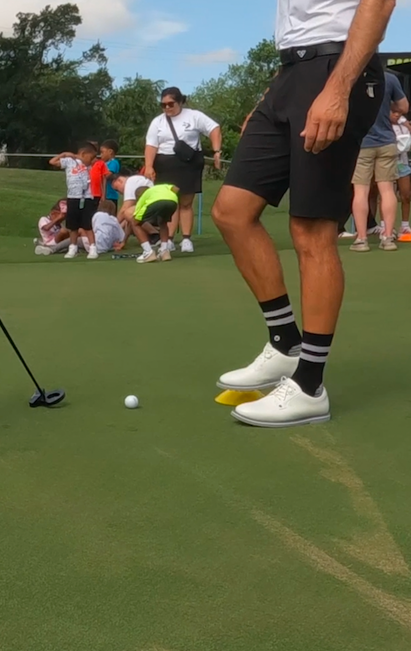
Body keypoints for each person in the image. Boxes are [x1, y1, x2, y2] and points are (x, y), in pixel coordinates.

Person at [210, 0, 393, 427]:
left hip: (338, 68)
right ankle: (285, 343)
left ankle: (310, 385)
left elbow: (379, 4)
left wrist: (336, 89)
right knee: (231, 211)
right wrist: (276, 90)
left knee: (311, 230)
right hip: (290, 73)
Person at [144, 87, 222, 253]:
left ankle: (186, 239)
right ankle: (169, 239)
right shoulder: (158, 122)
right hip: (165, 164)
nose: (167, 108)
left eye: (170, 104)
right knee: (168, 203)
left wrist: (216, 151)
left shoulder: (194, 116)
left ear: (180, 102)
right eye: (163, 105)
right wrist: (149, 166)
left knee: (186, 203)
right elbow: (151, 145)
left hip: (188, 163)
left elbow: (214, 129)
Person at [348, 69, 407, 252]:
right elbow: (404, 107)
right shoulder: (389, 78)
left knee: (360, 192)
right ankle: (388, 237)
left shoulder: (350, 76)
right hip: (386, 141)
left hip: (361, 143)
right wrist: (388, 107)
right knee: (387, 190)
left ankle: (362, 239)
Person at [49, 143, 100, 259]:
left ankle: (93, 248)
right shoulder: (69, 161)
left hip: (86, 197)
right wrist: (64, 154)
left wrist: (78, 157)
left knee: (87, 224)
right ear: (83, 153)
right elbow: (52, 162)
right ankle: (73, 247)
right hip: (73, 197)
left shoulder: (89, 165)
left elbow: (91, 162)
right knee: (73, 225)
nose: (92, 160)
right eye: (90, 157)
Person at [131, 184, 179, 263]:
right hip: (173, 201)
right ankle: (164, 251)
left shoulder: (143, 197)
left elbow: (136, 217)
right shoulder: (161, 187)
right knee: (163, 222)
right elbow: (176, 188)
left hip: (155, 202)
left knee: (134, 223)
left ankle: (148, 252)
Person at [391, 111, 411, 240]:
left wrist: (403, 121)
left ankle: (405, 226)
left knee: (406, 195)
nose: (396, 115)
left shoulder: (403, 123)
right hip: (389, 162)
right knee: (388, 195)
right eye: (393, 112)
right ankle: (387, 227)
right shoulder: (384, 125)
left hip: (402, 162)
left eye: (398, 113)